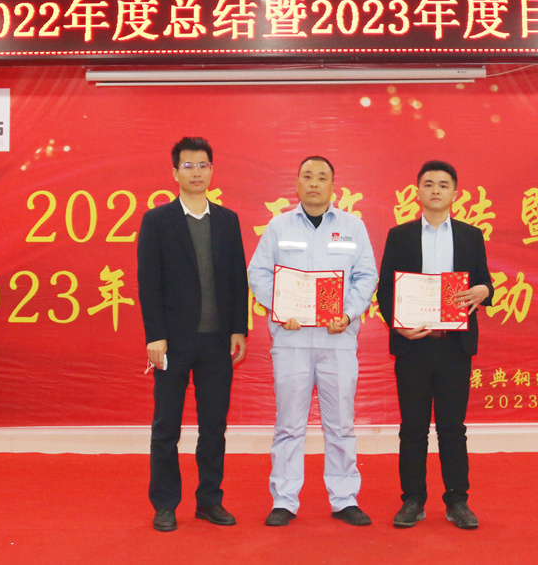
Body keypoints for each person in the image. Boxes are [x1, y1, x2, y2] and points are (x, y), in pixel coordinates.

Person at [248, 156, 379, 527]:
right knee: (289, 424)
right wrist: (281, 307)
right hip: (291, 338)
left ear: (333, 186)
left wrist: (348, 314)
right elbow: (258, 273)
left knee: (340, 424)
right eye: (308, 176)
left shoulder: (353, 227)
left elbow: (367, 276)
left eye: (322, 177)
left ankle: (344, 498)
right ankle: (284, 500)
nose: (315, 183)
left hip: (338, 339)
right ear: (297, 183)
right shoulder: (278, 226)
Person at [137, 136, 248, 533]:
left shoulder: (228, 220)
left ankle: (209, 500)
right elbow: (148, 283)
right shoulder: (157, 220)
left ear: (212, 171)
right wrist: (155, 336)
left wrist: (238, 329)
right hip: (173, 342)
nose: (196, 172)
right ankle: (165, 504)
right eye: (188, 166)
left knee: (213, 426)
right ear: (175, 173)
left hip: (217, 342)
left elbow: (237, 279)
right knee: (166, 426)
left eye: (203, 165)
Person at [375, 160, 494, 530]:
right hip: (413, 345)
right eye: (429, 184)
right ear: (418, 192)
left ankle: (458, 500)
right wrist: (400, 327)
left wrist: (482, 290)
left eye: (444, 184)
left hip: (454, 346)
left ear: (455, 192)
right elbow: (386, 290)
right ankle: (412, 500)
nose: (436, 190)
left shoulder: (471, 235)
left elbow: (485, 284)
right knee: (412, 427)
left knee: (452, 427)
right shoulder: (401, 235)